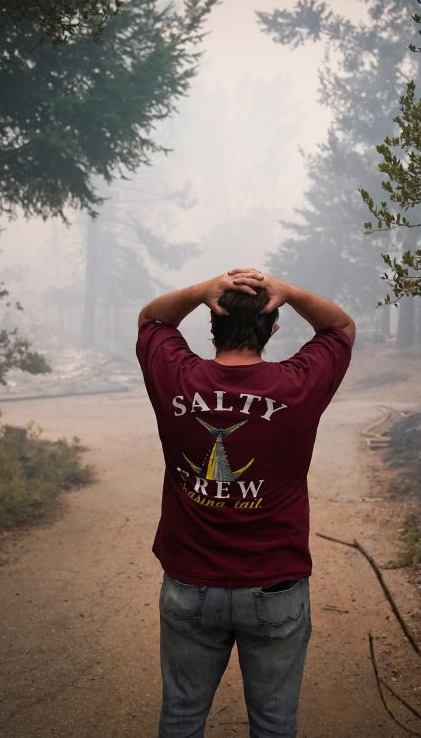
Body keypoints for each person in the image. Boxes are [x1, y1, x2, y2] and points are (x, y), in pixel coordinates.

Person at [135, 268, 355, 738]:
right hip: (275, 585)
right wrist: (292, 291)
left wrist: (198, 291)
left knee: (181, 715)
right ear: (273, 328)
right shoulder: (296, 386)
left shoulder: (177, 377)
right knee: (275, 724)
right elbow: (340, 329)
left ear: (211, 324)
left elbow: (152, 321)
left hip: (189, 582)